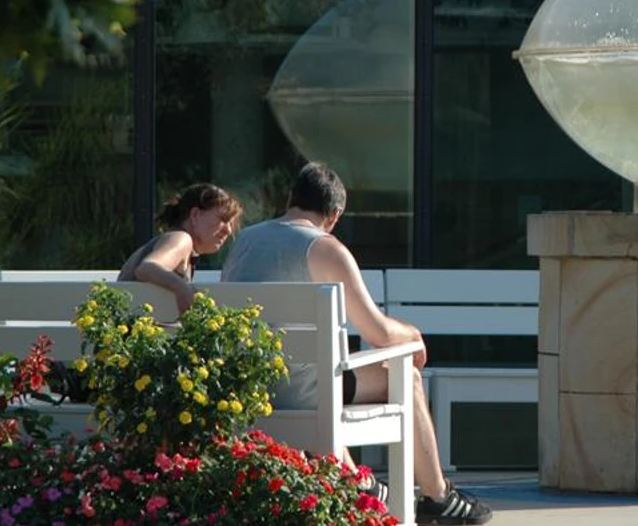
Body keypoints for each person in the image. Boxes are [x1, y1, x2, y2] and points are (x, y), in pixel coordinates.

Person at [219, 162, 492, 525]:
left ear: (290, 199)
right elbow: (378, 332)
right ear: (334, 215)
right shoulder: (324, 247)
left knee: (326, 368)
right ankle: (438, 497)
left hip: (250, 388)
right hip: (303, 392)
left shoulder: (246, 241)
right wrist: (413, 337)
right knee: (406, 375)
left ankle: (359, 484)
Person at [119, 183, 243, 315]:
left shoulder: (176, 241)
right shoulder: (181, 239)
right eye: (223, 219)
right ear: (195, 215)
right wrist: (184, 290)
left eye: (231, 224)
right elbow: (147, 268)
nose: (228, 231)